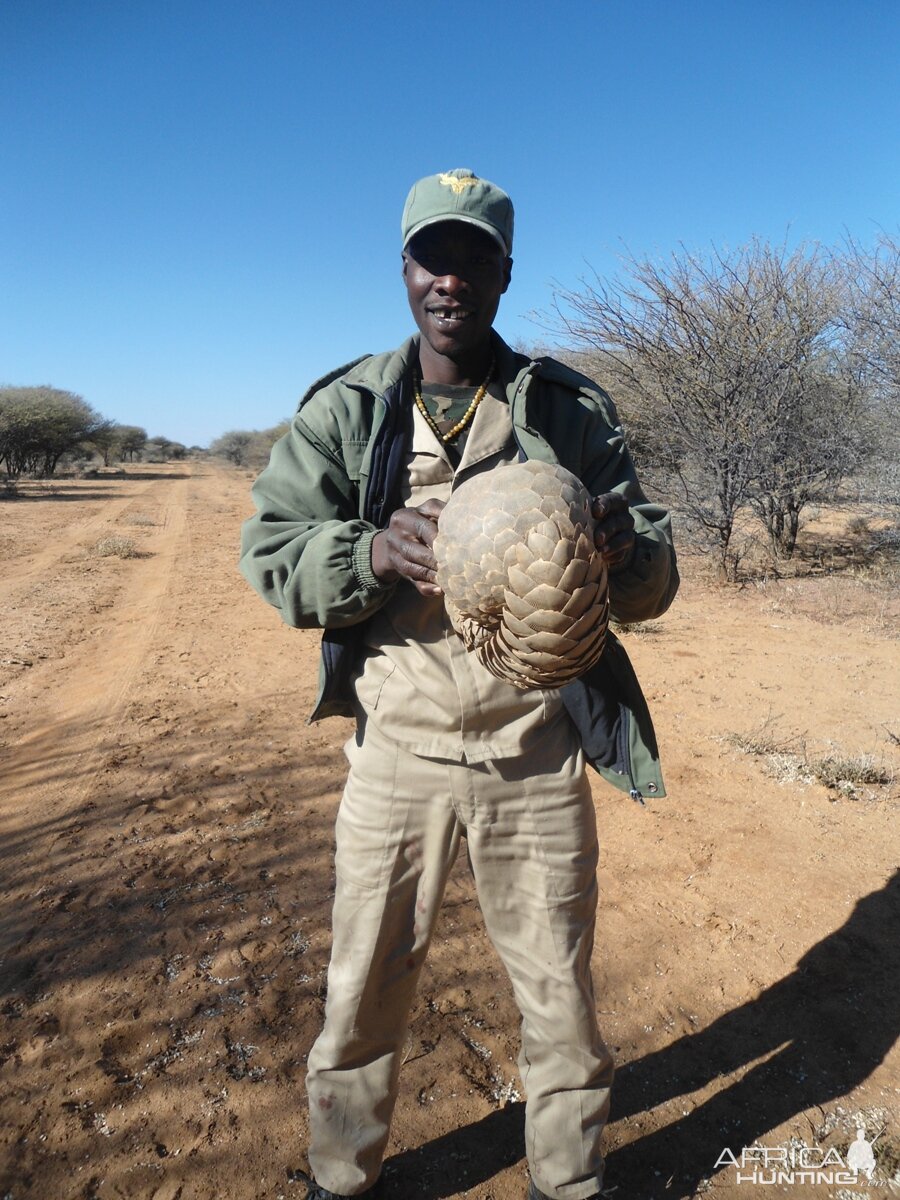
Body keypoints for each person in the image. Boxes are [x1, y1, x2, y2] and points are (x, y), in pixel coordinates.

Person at [239, 168, 678, 1200]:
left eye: (474, 257)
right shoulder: (348, 410)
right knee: (362, 993)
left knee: (560, 994)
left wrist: (626, 548)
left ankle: (567, 1181)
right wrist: (369, 555)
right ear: (404, 271)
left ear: (504, 272)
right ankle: (340, 1176)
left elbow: (652, 574)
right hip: (398, 755)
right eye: (433, 257)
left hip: (535, 755)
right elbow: (272, 552)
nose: (452, 279)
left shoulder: (566, 408)